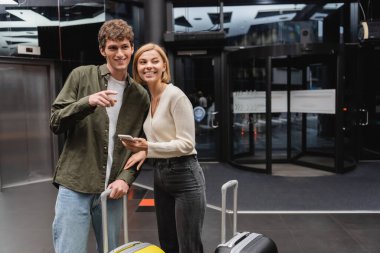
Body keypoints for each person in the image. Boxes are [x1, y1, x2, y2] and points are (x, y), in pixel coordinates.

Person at [49, 19, 150, 253]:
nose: (120, 53)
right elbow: (55, 122)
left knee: (112, 250)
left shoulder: (140, 95)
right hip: (76, 185)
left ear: (132, 48)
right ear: (102, 50)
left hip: (112, 190)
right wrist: (88, 102)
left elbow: (140, 146)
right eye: (113, 47)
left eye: (125, 46)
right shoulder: (81, 76)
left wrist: (126, 178)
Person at [122, 43, 207, 253]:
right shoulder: (149, 98)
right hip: (161, 175)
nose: (148, 66)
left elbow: (187, 144)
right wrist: (143, 149)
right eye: (142, 62)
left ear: (164, 67)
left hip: (184, 174)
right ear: (137, 69)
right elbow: (161, 137)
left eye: (154, 61)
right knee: (168, 243)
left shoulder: (175, 96)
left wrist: (148, 147)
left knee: (189, 246)